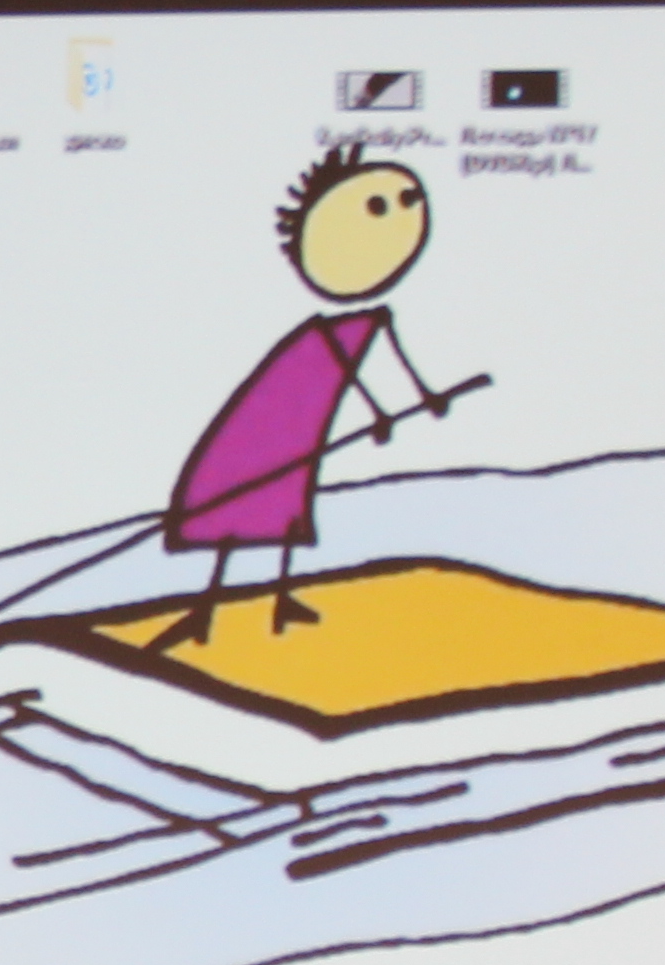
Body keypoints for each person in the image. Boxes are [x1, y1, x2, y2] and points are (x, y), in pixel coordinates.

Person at [159, 144, 459, 647]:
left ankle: (279, 598)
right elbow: (342, 367)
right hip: (276, 420)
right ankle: (208, 606)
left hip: (306, 425)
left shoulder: (371, 316)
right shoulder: (319, 331)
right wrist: (380, 412)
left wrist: (421, 397)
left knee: (289, 498)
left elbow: (383, 359)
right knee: (247, 492)